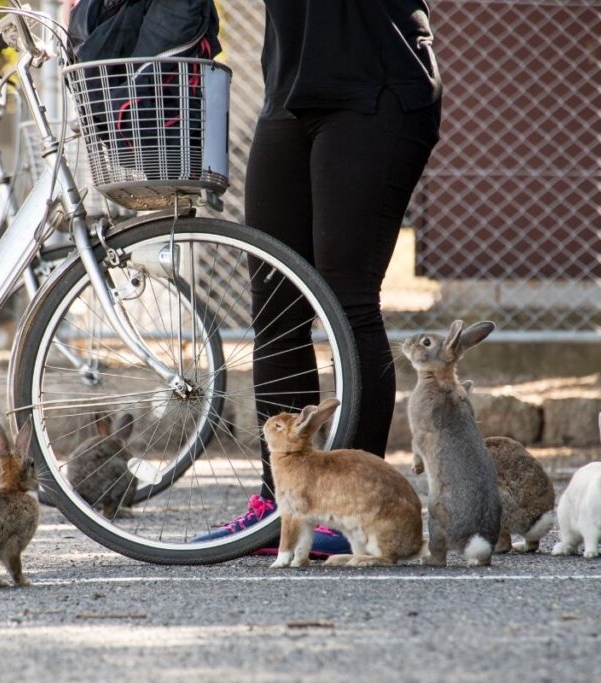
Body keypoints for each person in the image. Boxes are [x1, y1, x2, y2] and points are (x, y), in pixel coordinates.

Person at [194, 1, 443, 554]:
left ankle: (358, 503)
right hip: (289, 93)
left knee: (346, 299)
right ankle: (281, 506)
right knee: (276, 309)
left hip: (376, 85)